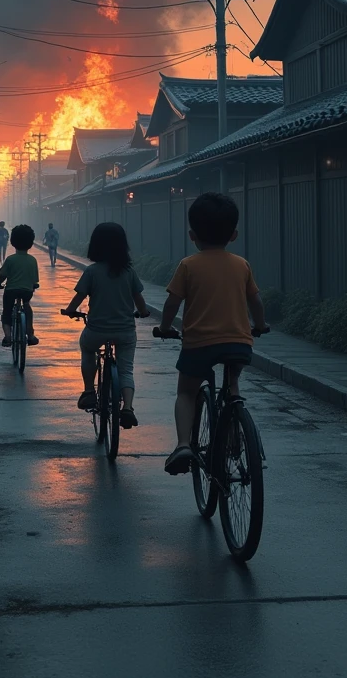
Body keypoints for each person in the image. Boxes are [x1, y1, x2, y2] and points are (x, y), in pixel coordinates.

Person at [157, 193, 268, 475]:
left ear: (192, 235)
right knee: (232, 386)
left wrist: (166, 327)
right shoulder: (242, 265)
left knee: (186, 391)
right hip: (238, 343)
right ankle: (233, 432)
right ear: (234, 235)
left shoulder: (188, 265)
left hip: (198, 345)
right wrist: (260, 325)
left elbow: (172, 303)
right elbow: (256, 301)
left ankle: (183, 445)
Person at [62, 222, 150, 429]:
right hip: (125, 331)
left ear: (95, 245)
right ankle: (127, 407)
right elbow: (140, 302)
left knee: (87, 348)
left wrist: (69, 311)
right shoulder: (129, 272)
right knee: (126, 369)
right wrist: (143, 313)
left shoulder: (92, 271)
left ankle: (89, 392)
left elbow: (79, 297)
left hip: (96, 330)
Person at [0, 224, 40, 346]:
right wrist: (33, 285)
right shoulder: (32, 260)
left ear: (13, 241)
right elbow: (34, 280)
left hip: (11, 291)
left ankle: (8, 336)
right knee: (27, 306)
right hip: (27, 291)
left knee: (7, 311)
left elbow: (3, 275)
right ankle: (30, 334)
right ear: (31, 242)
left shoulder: (10, 259)